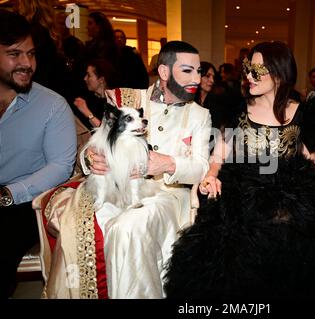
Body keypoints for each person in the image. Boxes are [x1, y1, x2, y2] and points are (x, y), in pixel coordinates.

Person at [164, 41, 315, 299]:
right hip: (245, 188)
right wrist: (210, 176)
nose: (249, 75)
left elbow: (310, 160)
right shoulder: (238, 109)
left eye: (257, 71)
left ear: (279, 74)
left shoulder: (300, 112)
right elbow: (219, 156)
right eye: (249, 68)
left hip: (292, 189)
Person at [42, 40, 211, 299]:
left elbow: (201, 167)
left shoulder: (200, 115)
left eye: (198, 71)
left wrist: (167, 163)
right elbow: (95, 143)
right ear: (164, 72)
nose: (196, 78)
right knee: (89, 221)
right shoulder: (127, 99)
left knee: (127, 227)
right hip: (117, 188)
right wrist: (89, 158)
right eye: (188, 70)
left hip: (166, 195)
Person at [0, 9, 76, 298]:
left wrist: (8, 193)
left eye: (30, 54)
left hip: (25, 203)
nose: (26, 63)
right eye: (14, 54)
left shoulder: (51, 106)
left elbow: (60, 166)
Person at [74, 59, 118, 129]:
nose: (85, 78)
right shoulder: (87, 98)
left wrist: (87, 112)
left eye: (89, 75)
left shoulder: (115, 102)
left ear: (101, 80)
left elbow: (109, 132)